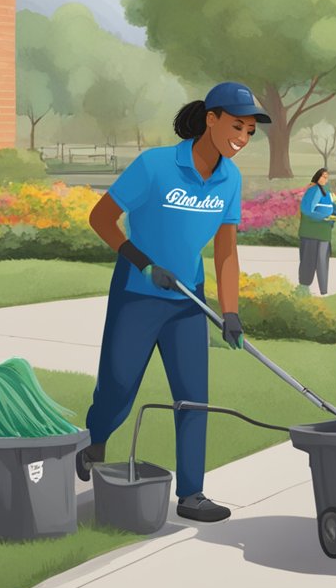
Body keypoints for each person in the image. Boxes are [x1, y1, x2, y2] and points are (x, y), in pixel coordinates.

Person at [75, 82, 261, 523]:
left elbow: (226, 250)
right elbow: (100, 217)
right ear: (211, 119)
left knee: (194, 397)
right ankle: (95, 436)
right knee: (119, 385)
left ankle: (192, 494)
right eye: (237, 125)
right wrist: (141, 263)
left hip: (187, 301)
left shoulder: (229, 178)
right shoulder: (155, 165)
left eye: (251, 131)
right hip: (138, 293)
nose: (243, 137)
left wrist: (230, 311)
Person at [297, 168, 336, 296]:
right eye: (323, 177)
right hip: (310, 233)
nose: (325, 179)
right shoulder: (312, 191)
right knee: (308, 261)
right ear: (317, 177)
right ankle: (304, 288)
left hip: (324, 234)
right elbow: (307, 210)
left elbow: (334, 209)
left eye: (327, 177)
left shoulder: (328, 194)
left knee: (322, 262)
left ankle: (323, 291)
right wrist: (323, 217)